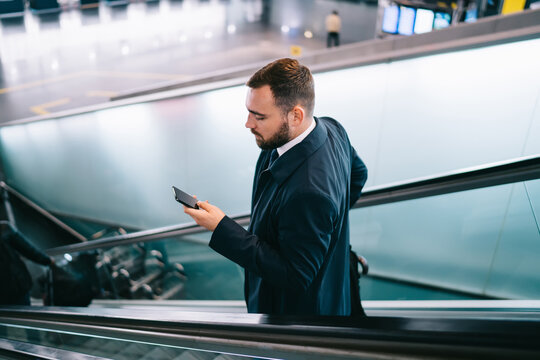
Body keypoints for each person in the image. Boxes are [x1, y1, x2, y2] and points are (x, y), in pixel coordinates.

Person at [184, 58, 367, 316]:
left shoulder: (309, 194)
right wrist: (323, 227)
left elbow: (294, 275)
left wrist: (220, 227)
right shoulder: (333, 129)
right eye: (249, 111)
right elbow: (359, 174)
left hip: (295, 322)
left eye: (259, 116)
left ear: (295, 115)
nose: (248, 123)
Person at [0, 221, 54, 306]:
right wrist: (48, 261)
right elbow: (28, 250)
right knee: (23, 312)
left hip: (7, 289)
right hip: (16, 284)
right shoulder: (3, 228)